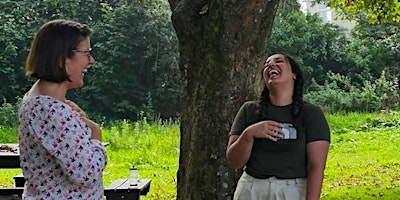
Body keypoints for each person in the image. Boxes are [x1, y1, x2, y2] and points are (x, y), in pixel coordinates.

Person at [18, 19, 107, 200]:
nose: (91, 60)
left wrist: (79, 124)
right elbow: (88, 173)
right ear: (62, 59)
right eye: (86, 53)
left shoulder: (46, 104)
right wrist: (95, 133)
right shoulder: (49, 111)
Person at [226, 53, 330, 200]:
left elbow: (316, 167)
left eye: (279, 61)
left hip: (292, 191)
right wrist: (249, 134)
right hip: (251, 189)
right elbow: (234, 161)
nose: (271, 65)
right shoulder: (249, 110)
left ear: (294, 74)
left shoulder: (311, 113)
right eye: (267, 64)